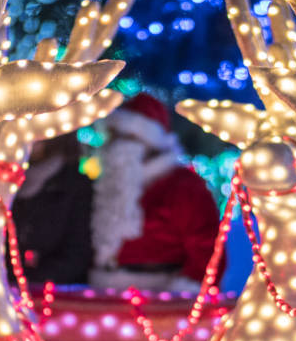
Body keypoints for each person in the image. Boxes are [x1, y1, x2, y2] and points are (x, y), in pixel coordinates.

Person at [90, 92, 222, 292]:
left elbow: (209, 251)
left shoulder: (183, 186)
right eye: (114, 135)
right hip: (102, 295)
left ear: (149, 141)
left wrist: (184, 297)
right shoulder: (107, 184)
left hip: (160, 299)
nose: (117, 144)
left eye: (127, 136)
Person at [12, 133, 94, 285]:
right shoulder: (1, 179)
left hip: (55, 292)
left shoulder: (74, 185)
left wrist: (29, 282)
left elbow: (77, 252)